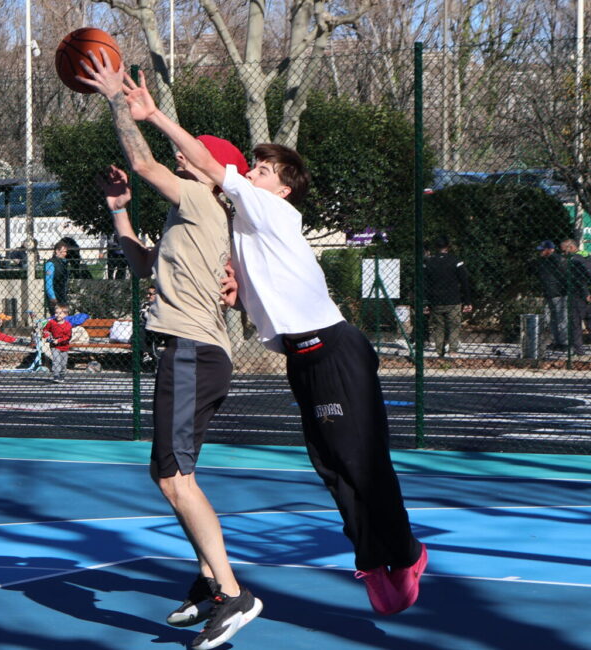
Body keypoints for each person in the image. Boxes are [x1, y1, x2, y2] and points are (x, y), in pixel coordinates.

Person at [87, 62, 427, 623]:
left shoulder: (272, 209)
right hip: (301, 355)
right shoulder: (239, 229)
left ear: (282, 186)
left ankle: (404, 553)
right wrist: (230, 283)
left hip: (334, 345)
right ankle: (372, 556)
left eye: (264, 169)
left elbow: (192, 162)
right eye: (254, 167)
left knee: (359, 459)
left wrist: (148, 113)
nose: (255, 172)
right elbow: (189, 263)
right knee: (331, 465)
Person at [86, 83, 256, 647]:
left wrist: (116, 97)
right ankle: (210, 581)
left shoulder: (203, 200)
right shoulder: (189, 218)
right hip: (195, 355)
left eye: (195, 153)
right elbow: (142, 264)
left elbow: (142, 159)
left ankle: (232, 593)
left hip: (191, 353)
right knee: (175, 476)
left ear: (214, 170)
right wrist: (120, 213)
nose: (185, 157)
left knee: (172, 476)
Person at [422, 237, 473, 358]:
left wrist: (424, 303)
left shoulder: (429, 263)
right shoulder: (455, 261)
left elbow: (424, 284)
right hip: (453, 299)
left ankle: (440, 351)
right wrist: (467, 301)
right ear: (448, 247)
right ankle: (453, 350)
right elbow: (464, 281)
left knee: (438, 327)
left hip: (435, 300)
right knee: (454, 326)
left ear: (436, 247)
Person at [560, 239, 591, 355]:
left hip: (579, 294)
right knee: (590, 323)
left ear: (571, 248)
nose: (564, 254)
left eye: (564, 251)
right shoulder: (587, 257)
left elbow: (580, 279)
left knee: (575, 323)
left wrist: (586, 294)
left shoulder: (575, 260)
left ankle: (578, 351)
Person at [534, 241, 569, 350]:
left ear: (549, 250)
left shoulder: (557, 259)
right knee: (551, 319)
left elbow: (564, 275)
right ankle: (557, 341)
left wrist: (562, 289)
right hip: (549, 293)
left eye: (542, 250)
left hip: (559, 293)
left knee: (561, 318)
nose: (540, 252)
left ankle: (564, 343)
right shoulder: (544, 261)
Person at [42, 303, 73, 383]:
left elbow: (68, 337)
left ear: (65, 314)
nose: (57, 315)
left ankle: (62, 375)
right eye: (56, 313)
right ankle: (56, 375)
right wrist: (47, 336)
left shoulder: (68, 325)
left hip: (64, 346)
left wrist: (58, 340)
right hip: (54, 346)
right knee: (56, 360)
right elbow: (45, 330)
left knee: (63, 363)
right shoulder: (52, 322)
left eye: (60, 313)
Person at [44, 241, 72, 312]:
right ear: (57, 251)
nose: (65, 254)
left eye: (66, 252)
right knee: (57, 316)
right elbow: (48, 282)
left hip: (62, 294)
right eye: (63, 252)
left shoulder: (64, 263)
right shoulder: (50, 263)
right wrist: (52, 297)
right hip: (55, 295)